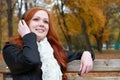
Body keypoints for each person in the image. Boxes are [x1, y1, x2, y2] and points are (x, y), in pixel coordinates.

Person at [2, 7, 95, 80]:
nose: (42, 24)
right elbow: (32, 60)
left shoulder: (52, 50)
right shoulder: (11, 49)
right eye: (36, 19)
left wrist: (86, 54)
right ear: (24, 24)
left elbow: (78, 54)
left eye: (45, 21)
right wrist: (28, 36)